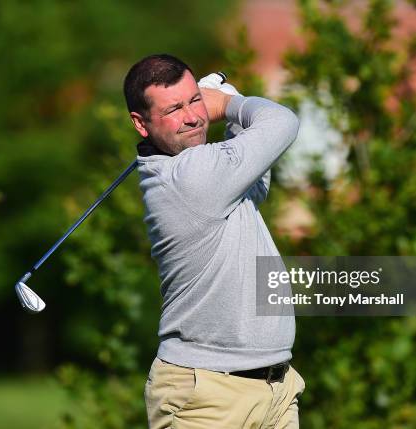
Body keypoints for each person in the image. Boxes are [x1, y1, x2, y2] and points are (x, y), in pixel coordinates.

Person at [124, 54, 305, 428]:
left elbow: (256, 185)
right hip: (207, 397)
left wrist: (229, 105)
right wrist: (228, 103)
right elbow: (282, 122)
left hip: (275, 388)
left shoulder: (204, 170)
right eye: (174, 109)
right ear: (141, 123)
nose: (193, 116)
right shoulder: (187, 176)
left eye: (194, 100)